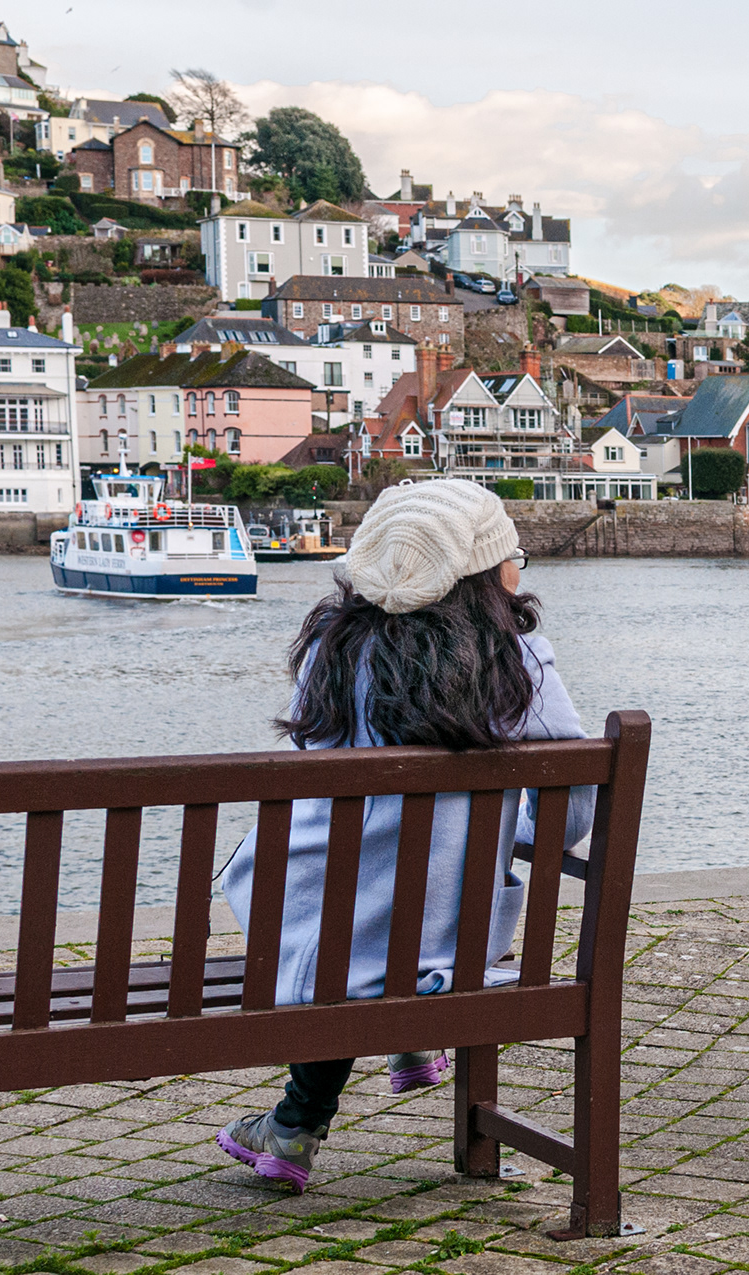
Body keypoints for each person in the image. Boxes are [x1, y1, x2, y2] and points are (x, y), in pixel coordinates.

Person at [215, 480, 595, 1192]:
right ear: (485, 572)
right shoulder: (517, 658)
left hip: (318, 941)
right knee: (435, 878)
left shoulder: (335, 649)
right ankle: (399, 1039)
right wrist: (507, 823)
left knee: (340, 895)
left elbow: (307, 784)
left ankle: (298, 1123)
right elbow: (570, 817)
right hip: (452, 940)